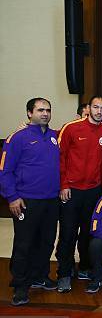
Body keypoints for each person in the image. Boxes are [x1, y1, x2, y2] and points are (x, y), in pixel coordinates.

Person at [0, 98, 60, 305]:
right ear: (29, 113)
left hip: (51, 200)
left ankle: (40, 276)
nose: (45, 113)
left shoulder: (55, 137)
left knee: (46, 241)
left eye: (48, 110)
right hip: (26, 200)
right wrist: (12, 197)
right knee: (24, 244)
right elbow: (5, 170)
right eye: (40, 110)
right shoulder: (17, 137)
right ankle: (20, 285)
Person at [56, 95, 102, 293]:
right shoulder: (71, 128)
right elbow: (60, 159)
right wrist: (63, 185)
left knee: (89, 233)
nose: (99, 111)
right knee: (68, 233)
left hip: (94, 191)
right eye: (95, 107)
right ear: (88, 108)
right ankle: (64, 273)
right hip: (71, 191)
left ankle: (85, 267)